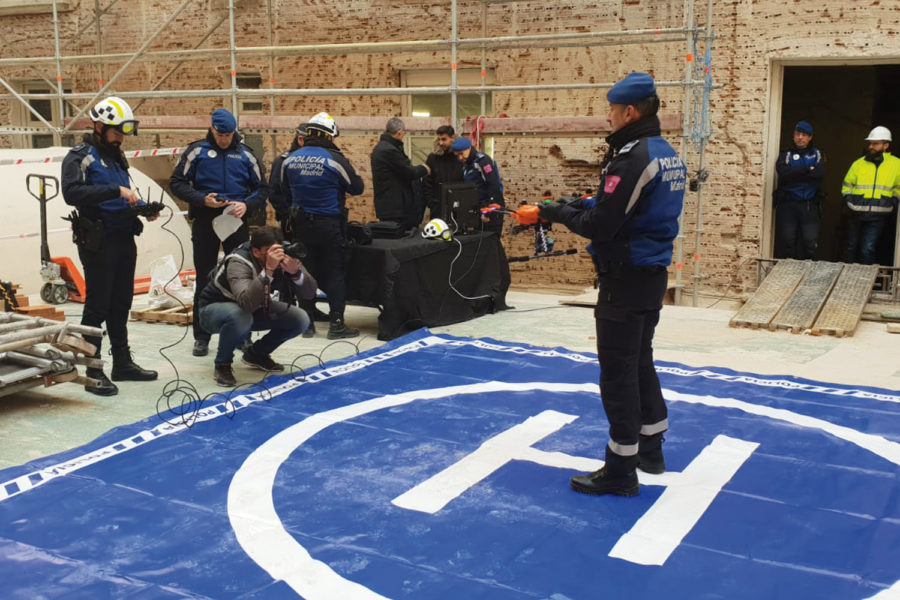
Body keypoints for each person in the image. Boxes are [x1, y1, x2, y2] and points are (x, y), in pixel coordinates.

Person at [538, 72, 686, 497]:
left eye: (611, 111)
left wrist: (558, 214)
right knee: (640, 360)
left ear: (629, 111)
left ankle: (620, 469)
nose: (608, 118)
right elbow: (627, 205)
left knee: (617, 373)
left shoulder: (632, 157)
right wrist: (580, 203)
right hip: (650, 274)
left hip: (624, 277)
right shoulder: (665, 152)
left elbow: (603, 225)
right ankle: (651, 448)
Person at [61, 96, 159, 396]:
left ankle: (122, 362)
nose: (121, 138)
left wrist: (143, 207)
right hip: (98, 241)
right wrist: (114, 190)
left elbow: (127, 194)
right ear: (100, 125)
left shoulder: (116, 155)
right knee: (97, 305)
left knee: (121, 302)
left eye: (124, 133)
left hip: (123, 237)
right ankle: (93, 368)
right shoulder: (80, 156)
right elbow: (72, 192)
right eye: (117, 131)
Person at [170, 108, 267, 357]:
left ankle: (243, 335)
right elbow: (177, 183)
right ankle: (201, 337)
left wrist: (247, 204)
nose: (224, 139)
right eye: (220, 134)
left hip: (236, 220)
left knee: (241, 278)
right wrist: (202, 199)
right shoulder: (197, 151)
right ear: (212, 129)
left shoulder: (246, 155)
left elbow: (262, 189)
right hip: (206, 219)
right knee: (204, 277)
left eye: (229, 135)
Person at [197, 226, 315, 386]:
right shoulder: (238, 261)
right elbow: (246, 302)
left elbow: (310, 293)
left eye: (277, 249)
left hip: (255, 308)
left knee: (300, 319)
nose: (276, 255)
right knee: (240, 315)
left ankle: (257, 355)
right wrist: (268, 271)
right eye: (269, 251)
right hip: (214, 311)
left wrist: (296, 274)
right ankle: (222, 364)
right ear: (256, 252)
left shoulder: (285, 253)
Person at [281, 112, 364, 339]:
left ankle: (307, 325)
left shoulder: (290, 159)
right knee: (335, 272)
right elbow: (357, 187)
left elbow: (284, 192)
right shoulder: (334, 159)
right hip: (329, 225)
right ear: (329, 136)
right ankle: (337, 324)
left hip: (301, 226)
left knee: (303, 272)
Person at [266, 121, 330, 336]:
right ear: (301, 139)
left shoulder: (311, 161)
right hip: (291, 223)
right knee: (292, 267)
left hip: (311, 222)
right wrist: (288, 214)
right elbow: (274, 193)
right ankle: (296, 316)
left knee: (312, 267)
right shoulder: (284, 161)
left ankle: (310, 309)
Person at [841, 126, 900, 265]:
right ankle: (848, 280)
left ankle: (864, 280)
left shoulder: (896, 165)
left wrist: (893, 202)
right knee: (850, 247)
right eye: (870, 143)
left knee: (867, 249)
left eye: (875, 143)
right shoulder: (858, 164)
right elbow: (846, 185)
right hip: (856, 213)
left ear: (886, 145)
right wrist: (849, 201)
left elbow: (898, 187)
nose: (871, 146)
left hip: (878, 216)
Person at [772, 121, 826, 259]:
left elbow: (819, 174)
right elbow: (783, 172)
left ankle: (810, 276)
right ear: (793, 136)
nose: (800, 137)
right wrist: (807, 169)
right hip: (788, 204)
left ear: (810, 137)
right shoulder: (786, 154)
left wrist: (795, 172)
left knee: (810, 243)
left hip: (809, 205)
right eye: (797, 134)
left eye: (804, 135)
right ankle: (788, 274)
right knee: (788, 242)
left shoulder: (817, 154)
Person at [371, 117, 430, 228]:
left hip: (392, 208)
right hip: (394, 209)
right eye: (403, 133)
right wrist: (424, 168)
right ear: (399, 133)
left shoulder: (383, 148)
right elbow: (409, 172)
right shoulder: (389, 150)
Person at [450, 136, 505, 234]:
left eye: (461, 154)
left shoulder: (483, 161)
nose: (460, 158)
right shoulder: (466, 166)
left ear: (469, 148)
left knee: (491, 241)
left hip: (490, 207)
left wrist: (488, 213)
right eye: (457, 155)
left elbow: (494, 187)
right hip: (479, 208)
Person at [422, 125, 465, 220]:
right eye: (439, 139)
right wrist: (432, 204)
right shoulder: (432, 158)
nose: (441, 143)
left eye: (444, 139)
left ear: (453, 138)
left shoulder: (461, 158)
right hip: (438, 211)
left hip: (458, 209)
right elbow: (426, 183)